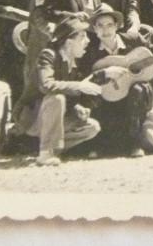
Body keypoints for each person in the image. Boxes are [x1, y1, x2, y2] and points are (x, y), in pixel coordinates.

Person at [78, 4, 153, 157]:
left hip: (135, 96)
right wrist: (105, 74)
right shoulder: (90, 50)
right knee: (93, 93)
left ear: (117, 26)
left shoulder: (133, 40)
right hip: (107, 97)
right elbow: (85, 79)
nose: (105, 30)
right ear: (94, 29)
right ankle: (98, 144)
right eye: (100, 25)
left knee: (138, 89)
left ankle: (135, 144)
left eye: (109, 25)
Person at [12, 17, 102, 166]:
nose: (87, 41)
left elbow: (67, 92)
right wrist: (79, 86)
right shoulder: (48, 55)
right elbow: (46, 86)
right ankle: (45, 154)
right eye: (82, 37)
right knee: (56, 98)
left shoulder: (73, 62)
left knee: (92, 127)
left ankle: (40, 148)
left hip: (51, 119)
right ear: (68, 42)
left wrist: (77, 108)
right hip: (31, 118)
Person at [21, 0, 72, 92]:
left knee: (53, 68)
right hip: (37, 30)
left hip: (55, 30)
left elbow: (68, 5)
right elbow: (35, 3)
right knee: (32, 68)